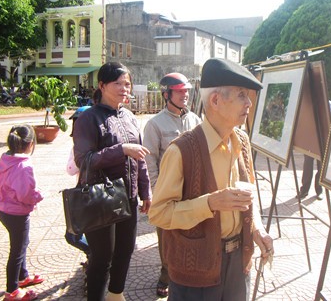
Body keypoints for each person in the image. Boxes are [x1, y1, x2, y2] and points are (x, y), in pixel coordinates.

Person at [148, 58, 274, 300]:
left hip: (238, 264)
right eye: (241, 95)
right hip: (196, 273)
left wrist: (257, 230)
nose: (249, 103)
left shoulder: (242, 141)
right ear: (215, 100)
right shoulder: (181, 151)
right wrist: (209, 203)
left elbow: (250, 195)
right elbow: (158, 214)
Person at [73, 62, 152, 301]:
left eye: (127, 83)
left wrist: (145, 191)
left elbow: (140, 158)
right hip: (100, 199)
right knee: (102, 257)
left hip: (127, 197)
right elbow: (84, 161)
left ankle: (116, 294)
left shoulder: (128, 117)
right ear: (101, 85)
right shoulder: (88, 118)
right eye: (117, 83)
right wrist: (121, 150)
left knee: (126, 250)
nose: (124, 88)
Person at [143, 73, 202, 297]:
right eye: (179, 91)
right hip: (167, 193)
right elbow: (149, 162)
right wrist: (158, 192)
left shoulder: (195, 120)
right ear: (166, 94)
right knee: (167, 238)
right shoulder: (154, 125)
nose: (185, 94)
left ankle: (190, 272)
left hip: (192, 191)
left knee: (192, 233)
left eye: (186, 90)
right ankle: (166, 275)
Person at [0, 125, 44, 301]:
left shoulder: (5, 158)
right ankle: (12, 291)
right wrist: (39, 196)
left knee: (21, 244)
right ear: (30, 143)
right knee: (17, 251)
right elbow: (26, 195)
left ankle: (23, 277)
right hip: (17, 214)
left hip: (4, 211)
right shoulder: (24, 166)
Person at [65, 106, 92, 293]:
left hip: (89, 199)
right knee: (78, 234)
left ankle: (92, 267)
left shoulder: (79, 147)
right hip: (88, 198)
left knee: (74, 234)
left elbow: (70, 169)